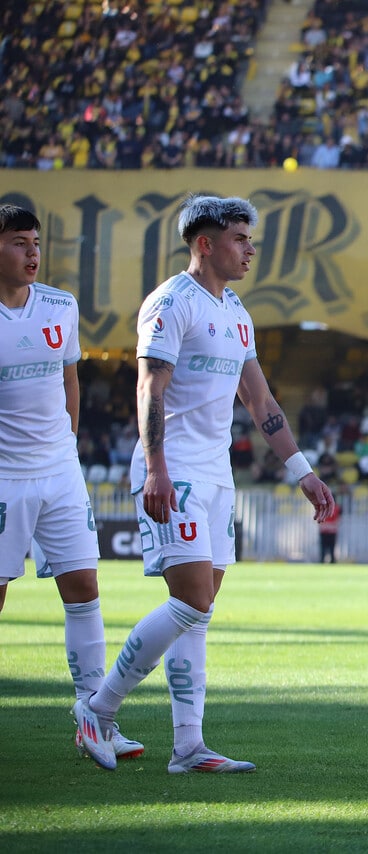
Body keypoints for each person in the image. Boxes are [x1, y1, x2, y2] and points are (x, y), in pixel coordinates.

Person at [73, 195, 335, 773]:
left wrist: (303, 472)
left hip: (217, 473)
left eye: (251, 240)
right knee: (191, 600)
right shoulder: (170, 303)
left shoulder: (236, 310)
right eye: (240, 239)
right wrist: (157, 469)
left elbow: (260, 400)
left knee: (200, 608)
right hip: (177, 470)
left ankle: (188, 745)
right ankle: (99, 707)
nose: (249, 250)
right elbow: (151, 390)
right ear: (205, 243)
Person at [0, 204, 144, 762]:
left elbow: (70, 386)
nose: (32, 252)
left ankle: (95, 717)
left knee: (84, 588)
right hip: (5, 479)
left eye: (35, 242)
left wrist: (68, 454)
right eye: (18, 242)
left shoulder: (60, 305)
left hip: (60, 473)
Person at [319, 497, 341, 563]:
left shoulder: (337, 508)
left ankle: (331, 560)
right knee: (324, 547)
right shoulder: (323, 507)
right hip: (327, 530)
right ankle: (324, 560)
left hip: (330, 530)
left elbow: (338, 520)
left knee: (330, 547)